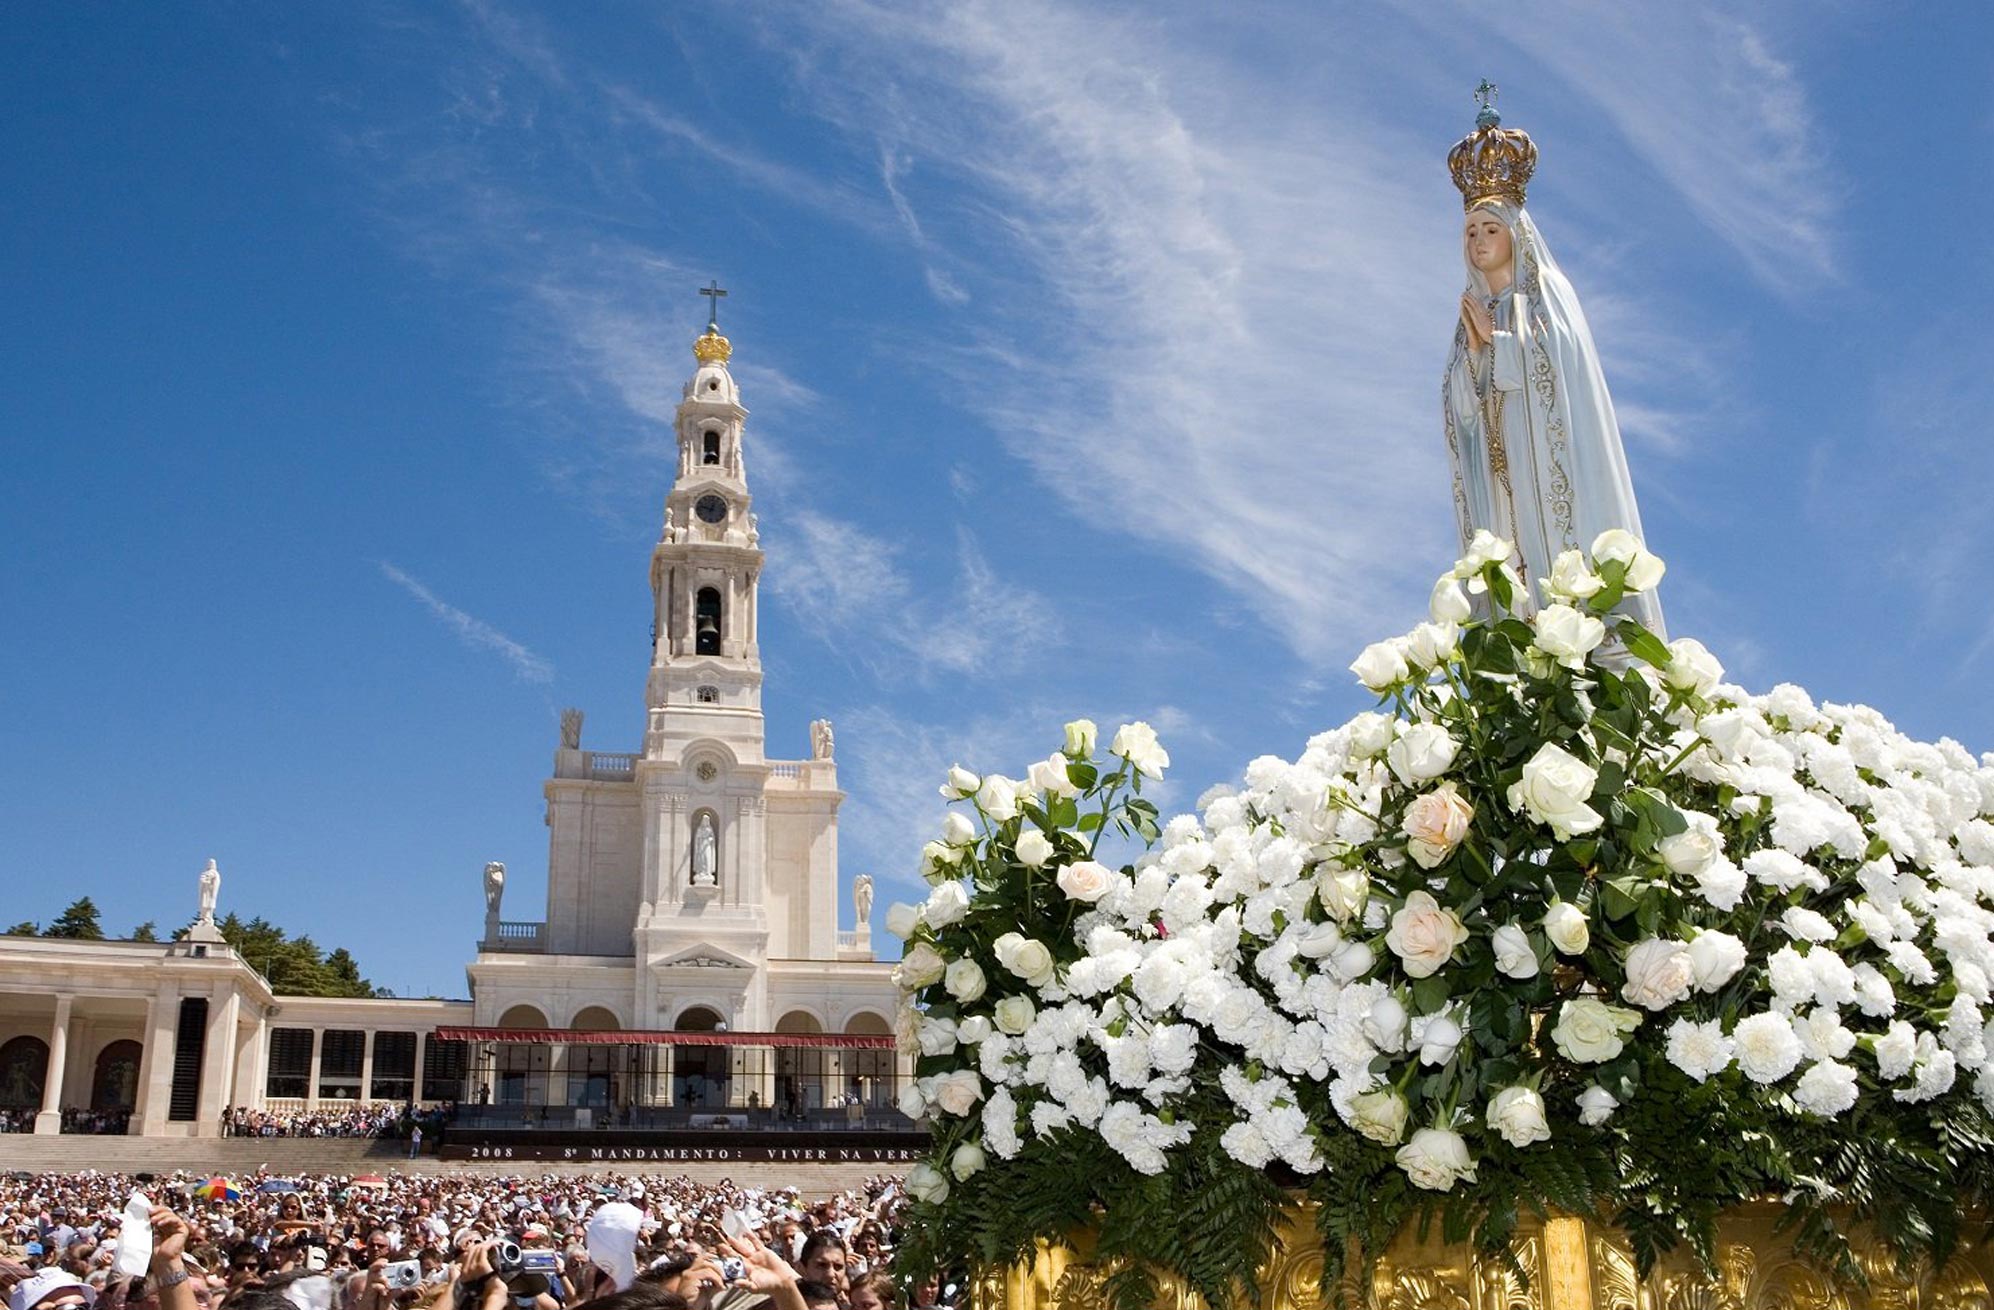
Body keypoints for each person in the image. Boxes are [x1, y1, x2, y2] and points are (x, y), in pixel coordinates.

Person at [1442, 89, 1665, 637]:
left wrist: (1502, 345)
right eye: (1471, 231)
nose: (1478, 241)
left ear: (1516, 235)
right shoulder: (1471, 312)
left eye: (1490, 229)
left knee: (1561, 588)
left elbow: (1562, 368)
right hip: (1502, 484)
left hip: (1549, 474)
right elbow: (1461, 412)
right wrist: (1474, 361)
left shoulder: (1547, 296)